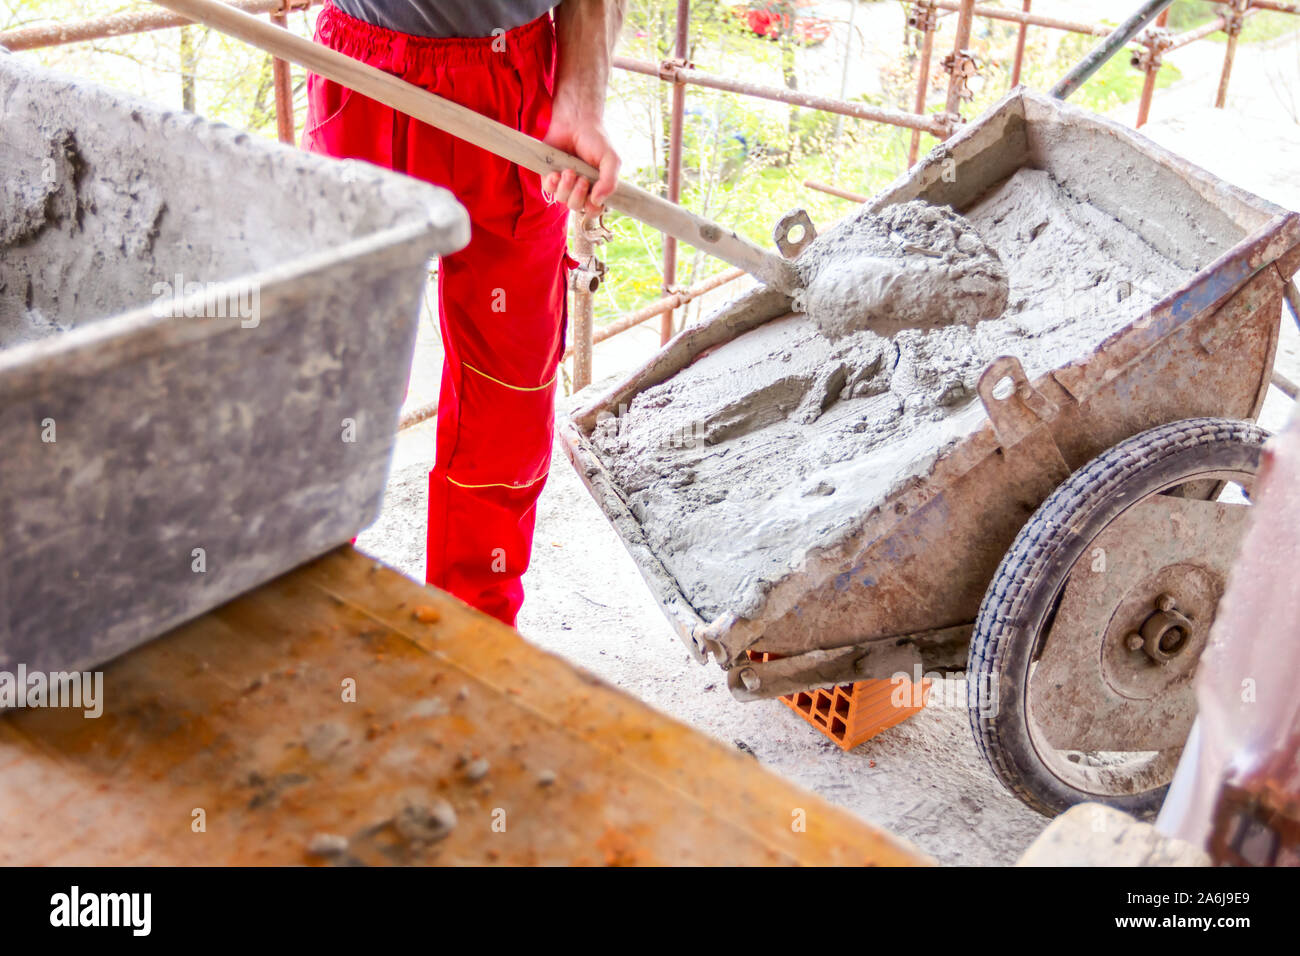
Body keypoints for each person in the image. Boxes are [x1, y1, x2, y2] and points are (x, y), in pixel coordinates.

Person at [303, 1, 624, 626]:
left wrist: (581, 99)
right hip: (363, 69)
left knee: (508, 392)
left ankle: (471, 632)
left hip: (513, 84)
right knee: (339, 371)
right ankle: (311, 597)